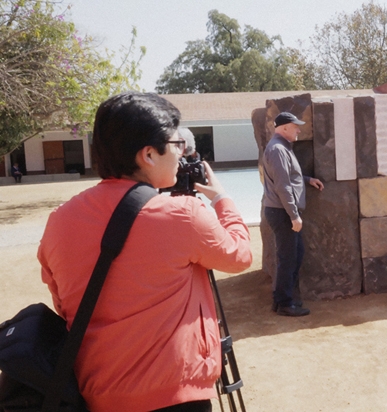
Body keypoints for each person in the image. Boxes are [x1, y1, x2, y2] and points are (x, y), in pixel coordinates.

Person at [38, 92, 253, 412]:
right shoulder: (183, 214)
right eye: (176, 144)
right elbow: (239, 255)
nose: (181, 155)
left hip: (98, 396)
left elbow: (63, 302)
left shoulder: (59, 221)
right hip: (175, 396)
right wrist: (222, 199)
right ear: (149, 154)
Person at [262, 112, 324, 317]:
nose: (299, 130)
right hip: (283, 213)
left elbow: (286, 176)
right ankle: (284, 303)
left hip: (282, 211)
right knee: (288, 258)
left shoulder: (279, 147)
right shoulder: (279, 149)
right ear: (284, 128)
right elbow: (283, 186)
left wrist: (306, 180)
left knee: (293, 256)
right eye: (295, 126)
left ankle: (281, 301)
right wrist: (294, 216)